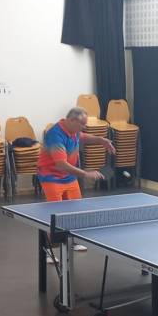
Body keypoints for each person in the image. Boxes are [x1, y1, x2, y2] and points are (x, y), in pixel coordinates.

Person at [37, 107, 116, 257]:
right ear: (72, 120)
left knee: (75, 212)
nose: (84, 127)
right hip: (51, 177)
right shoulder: (55, 135)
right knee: (55, 216)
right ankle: (48, 251)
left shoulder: (73, 130)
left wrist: (101, 140)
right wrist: (86, 174)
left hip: (69, 176)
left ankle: (71, 241)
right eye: (82, 124)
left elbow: (83, 136)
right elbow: (61, 164)